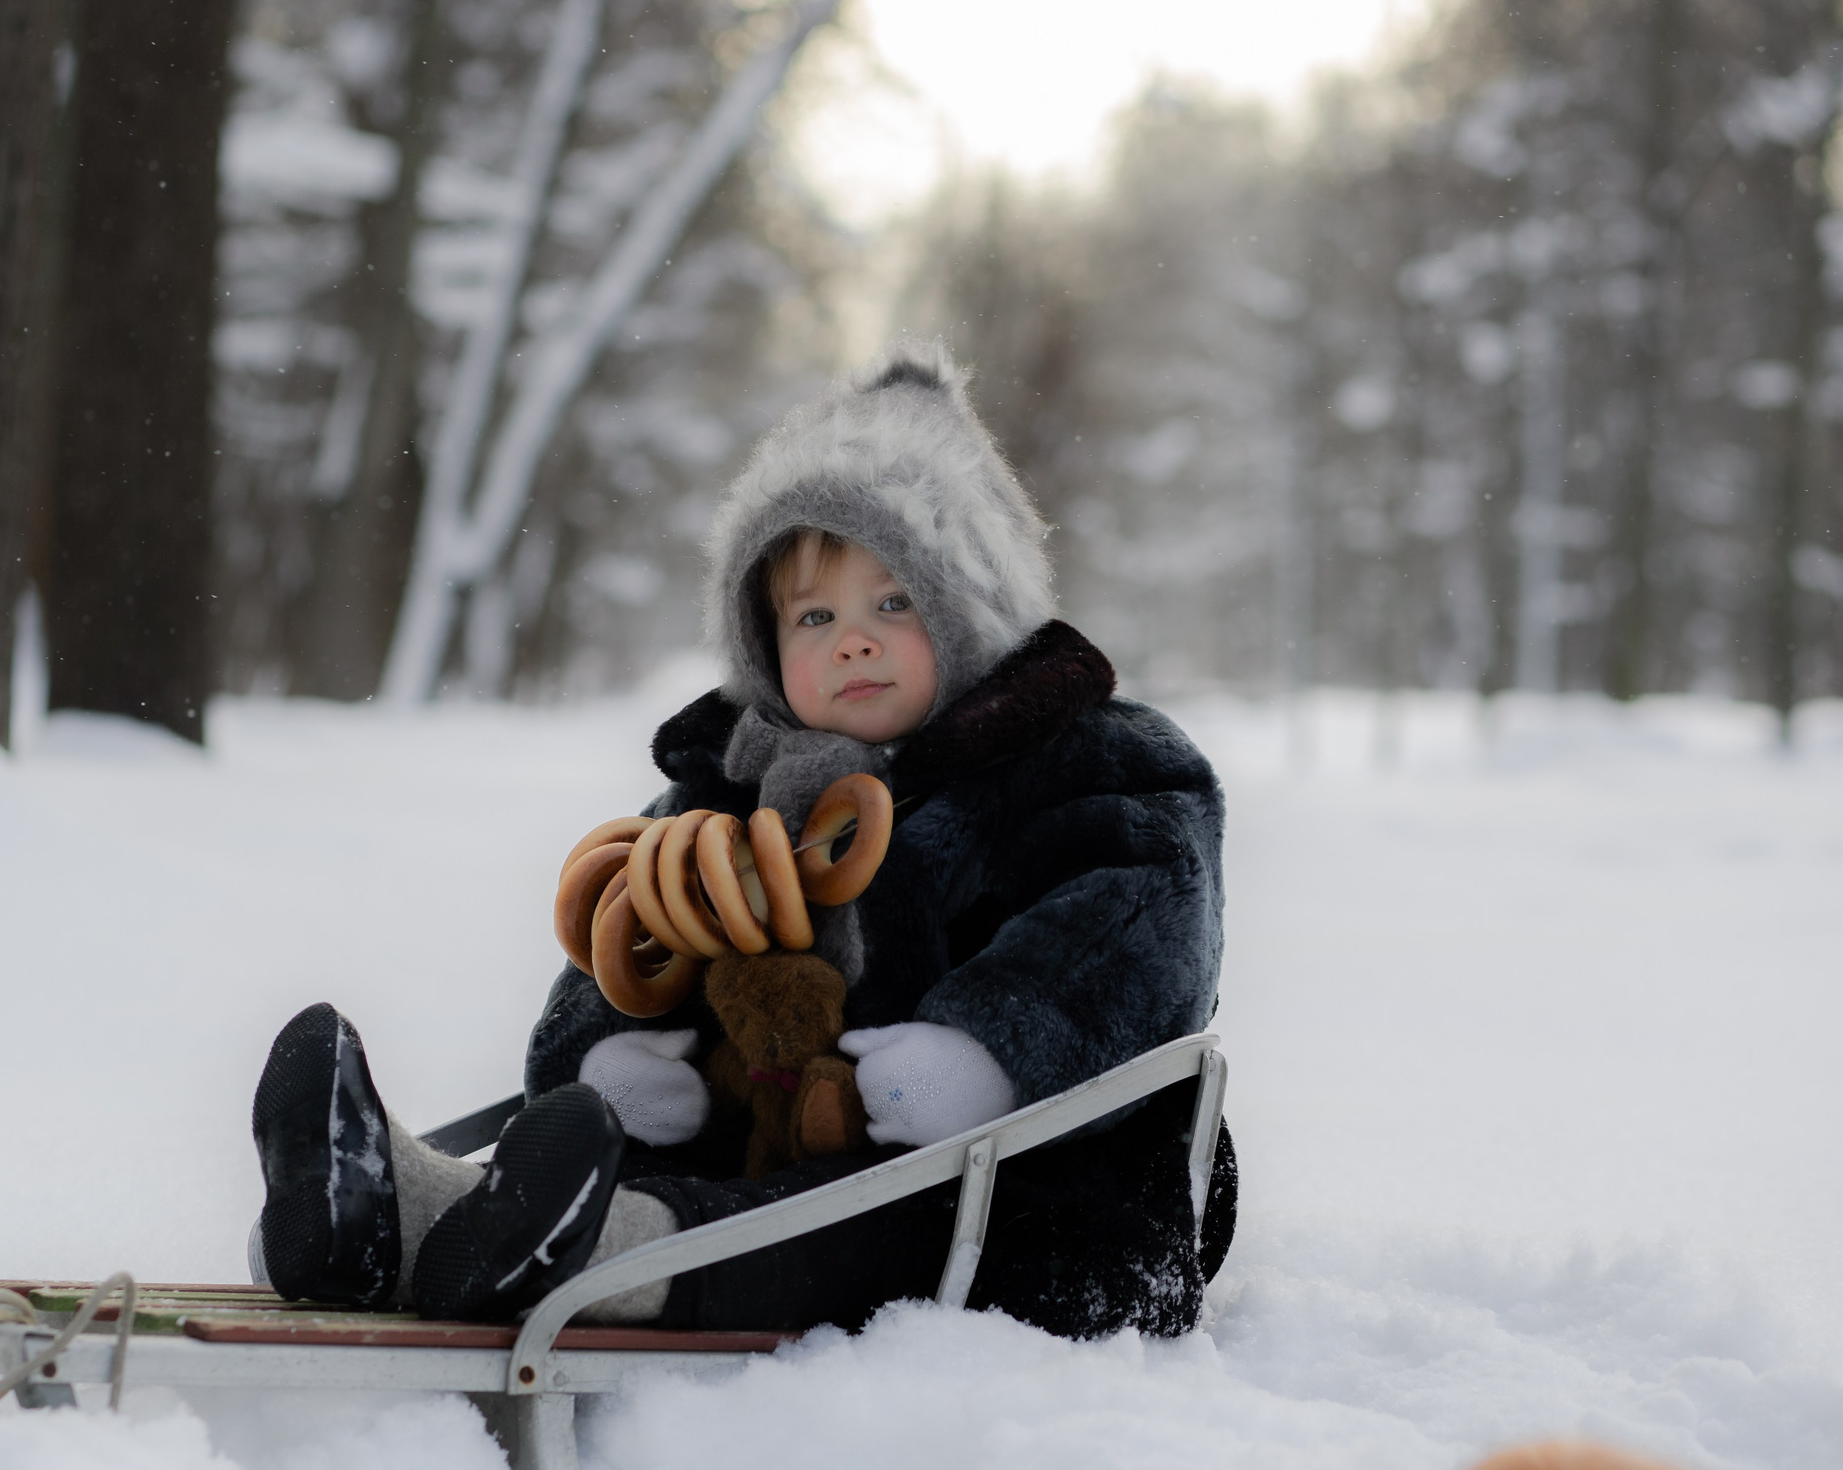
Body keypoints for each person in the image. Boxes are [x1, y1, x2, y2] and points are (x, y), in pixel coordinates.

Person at [250, 344, 1235, 1338]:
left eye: (895, 603)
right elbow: (628, 941)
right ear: (762, 644)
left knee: (878, 1215)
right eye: (814, 615)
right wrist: (613, 1060)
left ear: (976, 608)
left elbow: (1138, 913)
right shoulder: (724, 787)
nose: (852, 638)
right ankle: (388, 1221)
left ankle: (599, 1251)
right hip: (755, 1146)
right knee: (658, 1164)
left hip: (1023, 1198)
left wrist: (983, 1054)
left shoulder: (1087, 761)